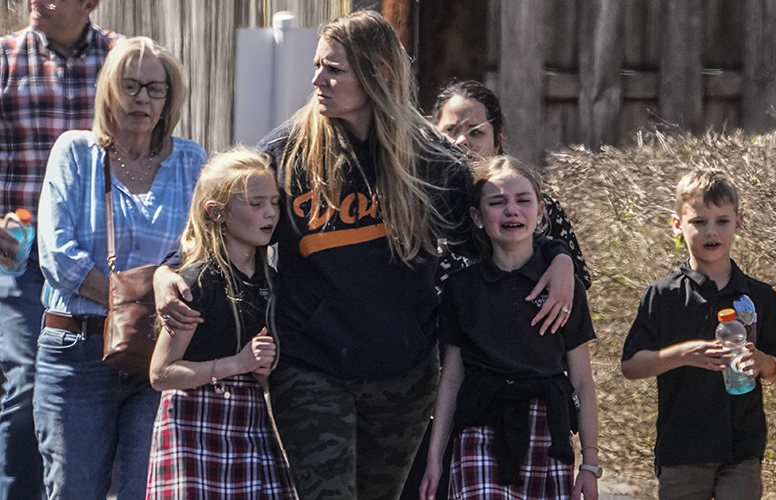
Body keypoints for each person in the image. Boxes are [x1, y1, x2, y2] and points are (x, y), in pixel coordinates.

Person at [155, 11, 575, 500]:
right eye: (317, 65)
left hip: (404, 374)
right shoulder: (287, 152)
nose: (317, 79)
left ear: (379, 74)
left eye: (334, 69)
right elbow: (221, 215)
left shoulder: (431, 159)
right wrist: (169, 271)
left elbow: (502, 219)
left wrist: (556, 254)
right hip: (310, 367)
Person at [35, 37, 207, 500]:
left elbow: (203, 250)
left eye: (155, 89)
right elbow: (57, 257)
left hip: (159, 358)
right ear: (109, 91)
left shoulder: (192, 161)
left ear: (170, 98)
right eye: (130, 86)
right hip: (78, 349)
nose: (142, 99)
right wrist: (134, 302)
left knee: (146, 490)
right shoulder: (75, 152)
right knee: (74, 490)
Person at [420, 156, 599, 500]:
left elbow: (582, 381)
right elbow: (452, 378)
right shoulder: (462, 288)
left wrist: (590, 462)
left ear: (541, 210)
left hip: (549, 430)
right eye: (497, 202)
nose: (511, 211)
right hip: (480, 427)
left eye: (523, 200)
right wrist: (434, 459)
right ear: (477, 217)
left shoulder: (565, 287)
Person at [0, 1, 120, 497]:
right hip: (22, 255)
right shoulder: (5, 60)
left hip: (100, 257)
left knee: (106, 381)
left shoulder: (119, 62)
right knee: (27, 381)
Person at [620, 170, 776, 500]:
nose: (711, 231)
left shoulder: (760, 295)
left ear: (738, 222)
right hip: (682, 450)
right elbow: (631, 366)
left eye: (722, 221)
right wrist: (683, 354)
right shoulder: (663, 295)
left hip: (742, 447)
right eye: (699, 221)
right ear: (677, 225)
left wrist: (761, 361)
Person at [146, 149, 296, 499]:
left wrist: (262, 370)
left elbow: (264, 367)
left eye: (274, 202)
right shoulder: (196, 281)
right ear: (217, 212)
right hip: (194, 420)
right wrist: (238, 363)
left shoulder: (271, 282)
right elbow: (160, 373)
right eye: (256, 203)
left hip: (249, 417)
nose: (270, 212)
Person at [431, 80, 591, 290]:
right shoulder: (419, 208)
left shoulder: (535, 206)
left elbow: (575, 288)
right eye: (450, 130)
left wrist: (561, 258)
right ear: (433, 138)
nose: (461, 141)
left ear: (497, 143)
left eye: (476, 132)